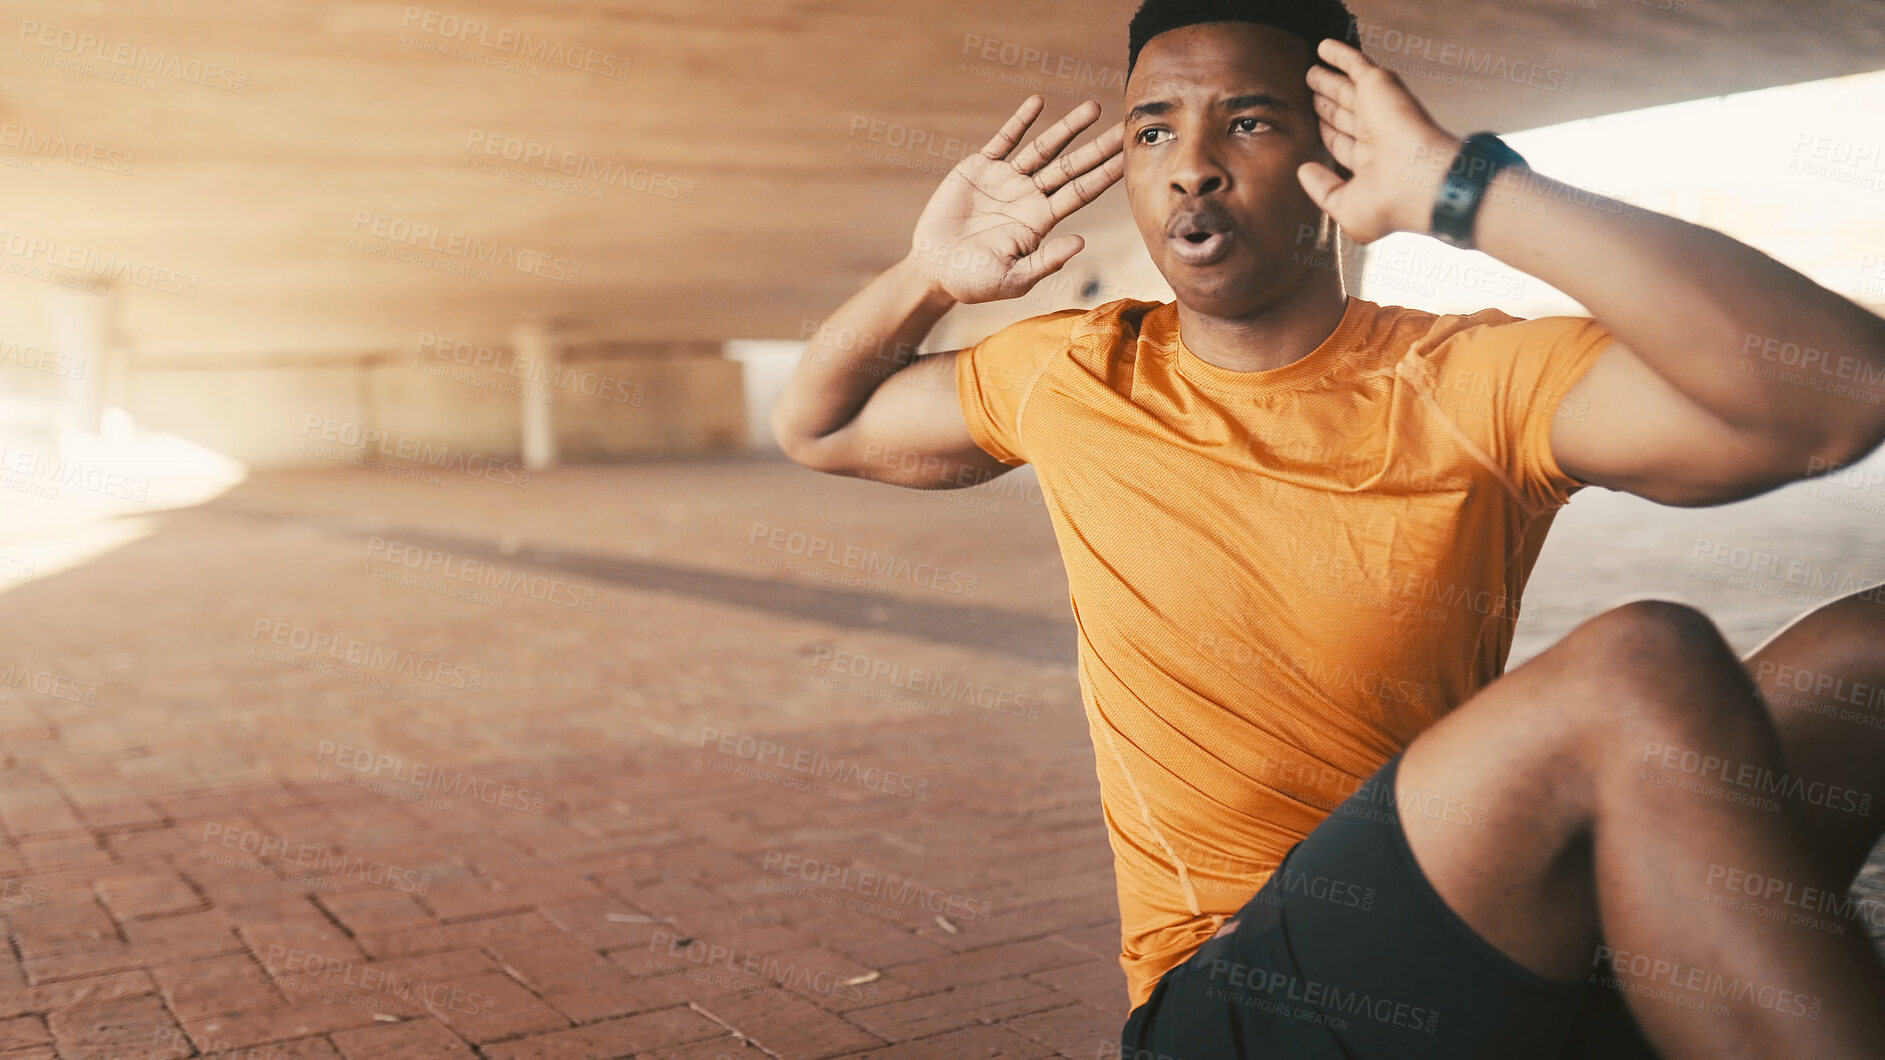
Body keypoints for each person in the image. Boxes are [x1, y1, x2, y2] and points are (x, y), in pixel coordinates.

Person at [769, 0, 1885, 1054]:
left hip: (1490, 930)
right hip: (1237, 994)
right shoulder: (1073, 370)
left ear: (1339, 159)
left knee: (1866, 654)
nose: (1192, 163)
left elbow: (1837, 398)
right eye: (1152, 130)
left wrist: (1470, 190)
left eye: (1247, 121)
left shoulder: (1465, 377)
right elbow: (821, 427)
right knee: (1637, 663)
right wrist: (926, 276)